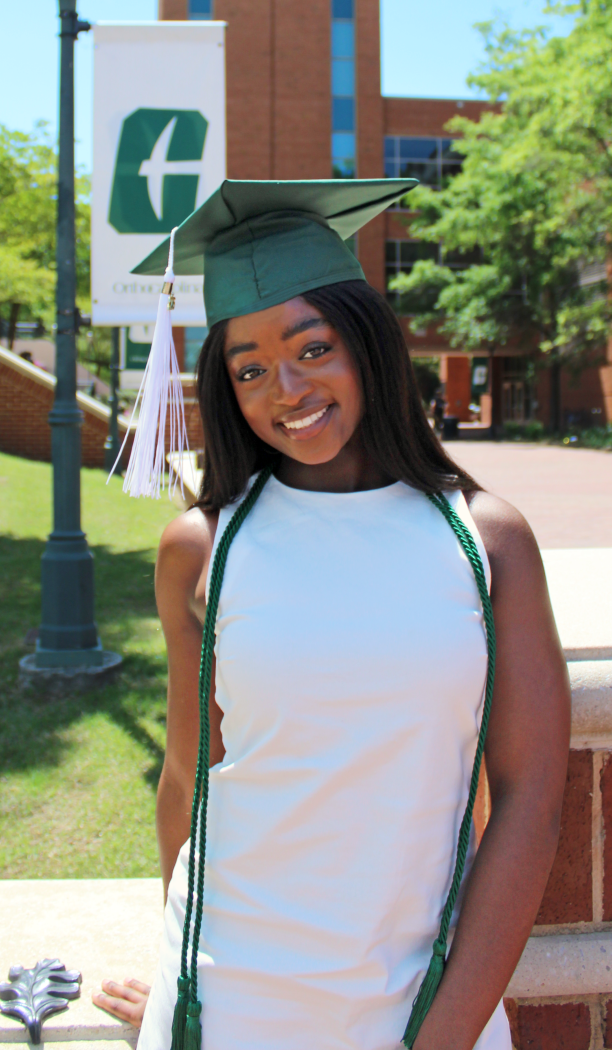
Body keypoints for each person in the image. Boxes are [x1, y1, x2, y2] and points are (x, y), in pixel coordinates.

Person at [92, 180, 570, 1050]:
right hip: (232, 995)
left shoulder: (484, 543)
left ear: (368, 343)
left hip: (421, 998)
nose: (286, 388)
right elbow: (189, 783)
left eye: (313, 348)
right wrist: (178, 976)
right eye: (248, 369)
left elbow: (532, 799)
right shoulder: (203, 551)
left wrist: (446, 1034)